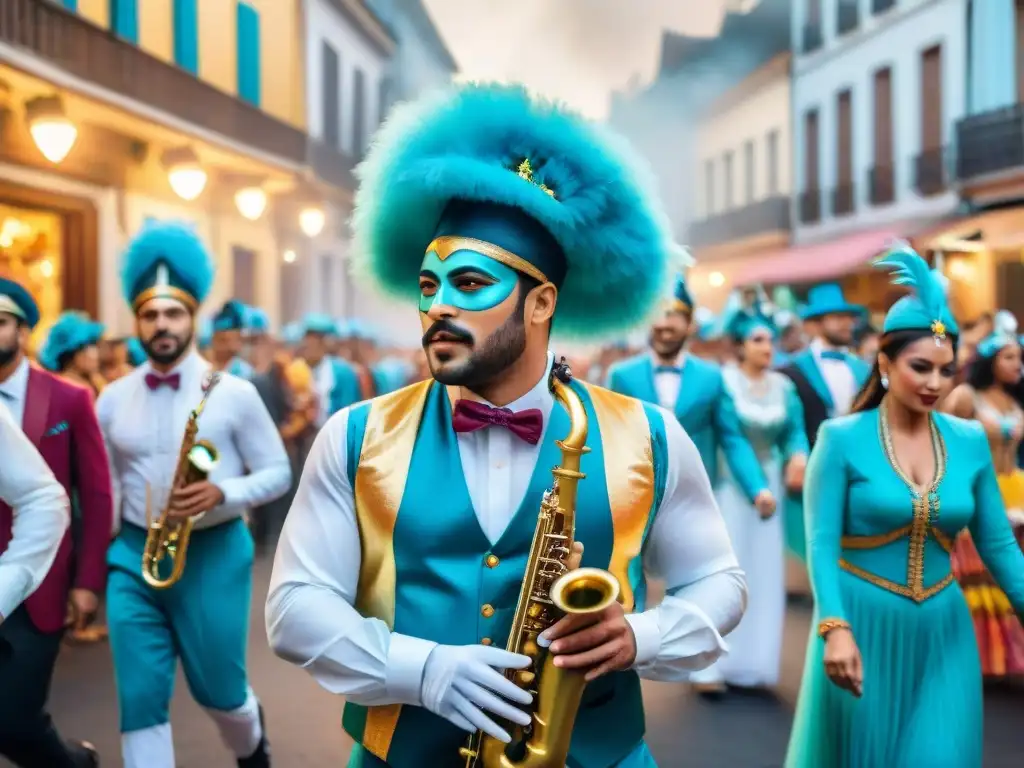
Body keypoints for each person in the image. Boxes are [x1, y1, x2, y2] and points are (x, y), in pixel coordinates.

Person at [267, 82, 747, 768]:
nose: (436, 308)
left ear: (541, 302)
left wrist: (640, 637)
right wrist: (423, 670)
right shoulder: (355, 434)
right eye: (428, 286)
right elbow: (294, 607)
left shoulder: (650, 435)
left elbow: (719, 583)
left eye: (468, 285)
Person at [785, 246, 1024, 767]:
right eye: (921, 367)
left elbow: (998, 542)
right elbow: (821, 543)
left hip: (945, 630)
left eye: (946, 369)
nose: (935, 383)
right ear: (885, 363)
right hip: (860, 626)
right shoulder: (840, 437)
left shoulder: (969, 439)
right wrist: (835, 628)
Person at [96, 221, 292, 768]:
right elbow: (106, 484)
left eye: (173, 313)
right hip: (133, 559)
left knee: (220, 693)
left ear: (192, 319)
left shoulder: (234, 394)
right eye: (151, 314)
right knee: (138, 700)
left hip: (213, 553)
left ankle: (252, 745)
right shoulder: (110, 399)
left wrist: (221, 493)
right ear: (137, 321)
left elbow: (278, 472)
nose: (162, 324)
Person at [0, 275, 112, 768]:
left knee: (16, 721)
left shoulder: (68, 399)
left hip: (40, 583)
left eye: (0, 322)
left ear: (23, 331)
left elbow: (95, 493)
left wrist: (87, 582)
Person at [695, 299, 808, 692]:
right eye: (758, 339)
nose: (767, 346)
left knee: (763, 574)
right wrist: (755, 488)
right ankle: (708, 666)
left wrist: (798, 456)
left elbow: (794, 430)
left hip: (771, 487)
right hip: (733, 488)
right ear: (740, 345)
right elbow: (734, 440)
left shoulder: (784, 386)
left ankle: (754, 663)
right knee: (724, 574)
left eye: (771, 340)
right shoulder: (724, 383)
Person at [943, 309, 1024, 677]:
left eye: (1019, 357)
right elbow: (943, 444)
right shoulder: (965, 397)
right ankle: (973, 657)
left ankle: (1006, 657)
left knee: (1011, 575)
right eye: (1009, 357)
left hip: (1016, 490)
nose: (1018, 364)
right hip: (980, 490)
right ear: (990, 361)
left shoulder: (1015, 401)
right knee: (977, 576)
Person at [777, 283, 870, 561]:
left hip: (858, 469)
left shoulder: (863, 368)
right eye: (837, 317)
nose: (847, 324)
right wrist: (797, 455)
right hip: (811, 470)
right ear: (815, 325)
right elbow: (789, 424)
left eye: (848, 317)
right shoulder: (791, 370)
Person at [298, 313, 362, 428]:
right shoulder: (296, 370)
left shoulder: (343, 373)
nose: (308, 345)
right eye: (306, 339)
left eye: (314, 341)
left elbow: (350, 412)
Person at [37, 311, 107, 399]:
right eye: (90, 346)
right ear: (73, 354)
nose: (96, 353)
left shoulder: (94, 382)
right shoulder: (67, 388)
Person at [210, 300, 255, 379]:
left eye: (225, 340)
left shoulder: (243, 373)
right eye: (220, 340)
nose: (220, 347)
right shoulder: (208, 371)